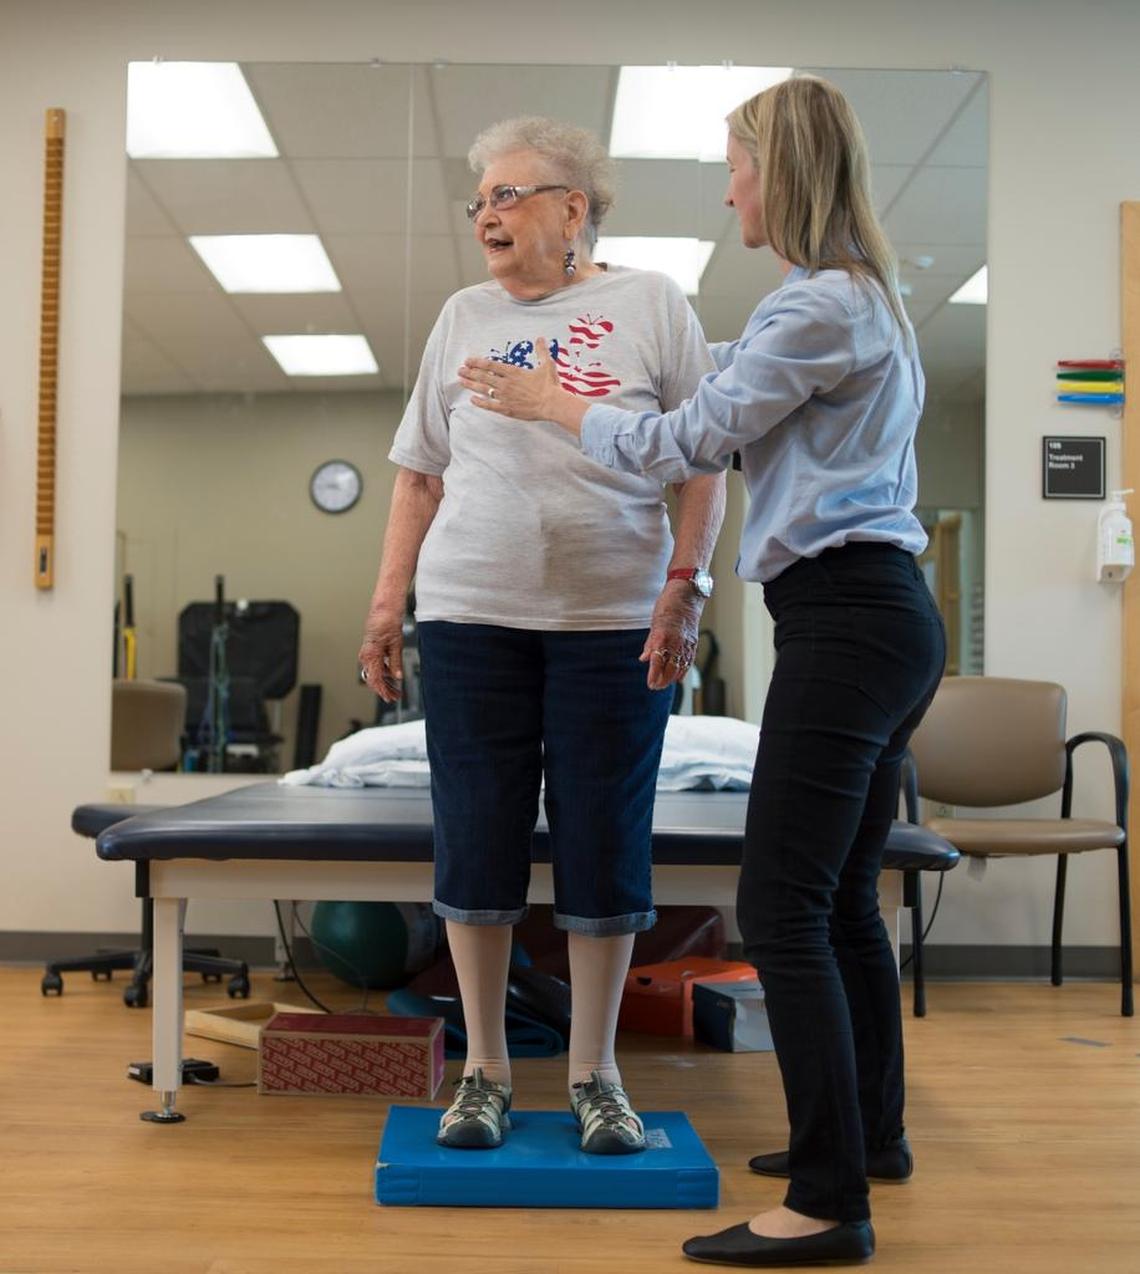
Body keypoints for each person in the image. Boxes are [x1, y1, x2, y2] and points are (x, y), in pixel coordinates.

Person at [459, 77, 946, 1267]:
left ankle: (830, 1200)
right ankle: (869, 1137)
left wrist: (554, 401)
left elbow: (690, 437)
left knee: (779, 904)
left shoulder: (819, 306)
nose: (729, 187)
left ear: (779, 172)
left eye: (735, 166)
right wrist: (628, 347)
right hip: (876, 613)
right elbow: (711, 379)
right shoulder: (840, 299)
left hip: (846, 618)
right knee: (837, 902)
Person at [358, 115, 726, 1157]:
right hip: (472, 615)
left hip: (613, 619)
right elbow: (419, 473)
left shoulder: (651, 303)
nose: (488, 213)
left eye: (511, 194)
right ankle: (483, 1068)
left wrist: (684, 587)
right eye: (480, 199)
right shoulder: (462, 315)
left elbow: (704, 465)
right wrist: (388, 601)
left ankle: (596, 1071)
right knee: (475, 830)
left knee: (603, 837)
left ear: (575, 208)